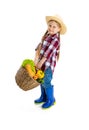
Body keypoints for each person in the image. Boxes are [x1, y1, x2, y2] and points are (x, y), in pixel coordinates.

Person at [34, 15, 67, 109]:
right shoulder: (47, 35)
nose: (51, 28)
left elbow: (48, 53)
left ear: (59, 29)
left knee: (46, 81)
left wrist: (41, 62)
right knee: (41, 80)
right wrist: (36, 59)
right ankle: (43, 97)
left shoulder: (56, 40)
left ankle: (51, 99)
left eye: (54, 27)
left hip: (47, 66)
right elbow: (39, 46)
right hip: (41, 64)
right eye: (50, 25)